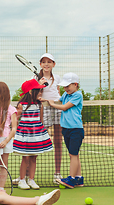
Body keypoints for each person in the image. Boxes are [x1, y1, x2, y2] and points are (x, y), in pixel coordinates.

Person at [42, 72, 84, 189]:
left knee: (73, 154)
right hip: (66, 129)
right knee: (73, 154)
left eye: (68, 86)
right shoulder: (65, 95)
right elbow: (57, 101)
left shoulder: (77, 95)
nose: (65, 88)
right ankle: (79, 178)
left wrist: (51, 104)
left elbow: (64, 107)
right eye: (64, 86)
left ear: (75, 84)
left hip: (76, 129)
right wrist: (44, 99)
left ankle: (71, 178)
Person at [13, 79, 53, 190]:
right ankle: (22, 180)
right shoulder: (21, 105)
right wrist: (15, 131)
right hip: (25, 135)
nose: (41, 93)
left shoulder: (40, 105)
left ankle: (31, 179)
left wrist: (42, 133)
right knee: (25, 157)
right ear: (31, 92)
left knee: (34, 158)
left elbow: (41, 120)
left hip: (36, 135)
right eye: (39, 91)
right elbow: (16, 119)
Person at [34, 53, 63, 184]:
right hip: (44, 108)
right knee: (36, 140)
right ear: (40, 64)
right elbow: (34, 95)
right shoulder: (36, 77)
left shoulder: (57, 78)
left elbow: (58, 92)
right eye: (44, 62)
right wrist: (40, 85)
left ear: (53, 64)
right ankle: (28, 175)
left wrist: (59, 103)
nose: (46, 64)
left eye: (49, 62)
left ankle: (57, 173)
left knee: (58, 140)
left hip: (57, 107)